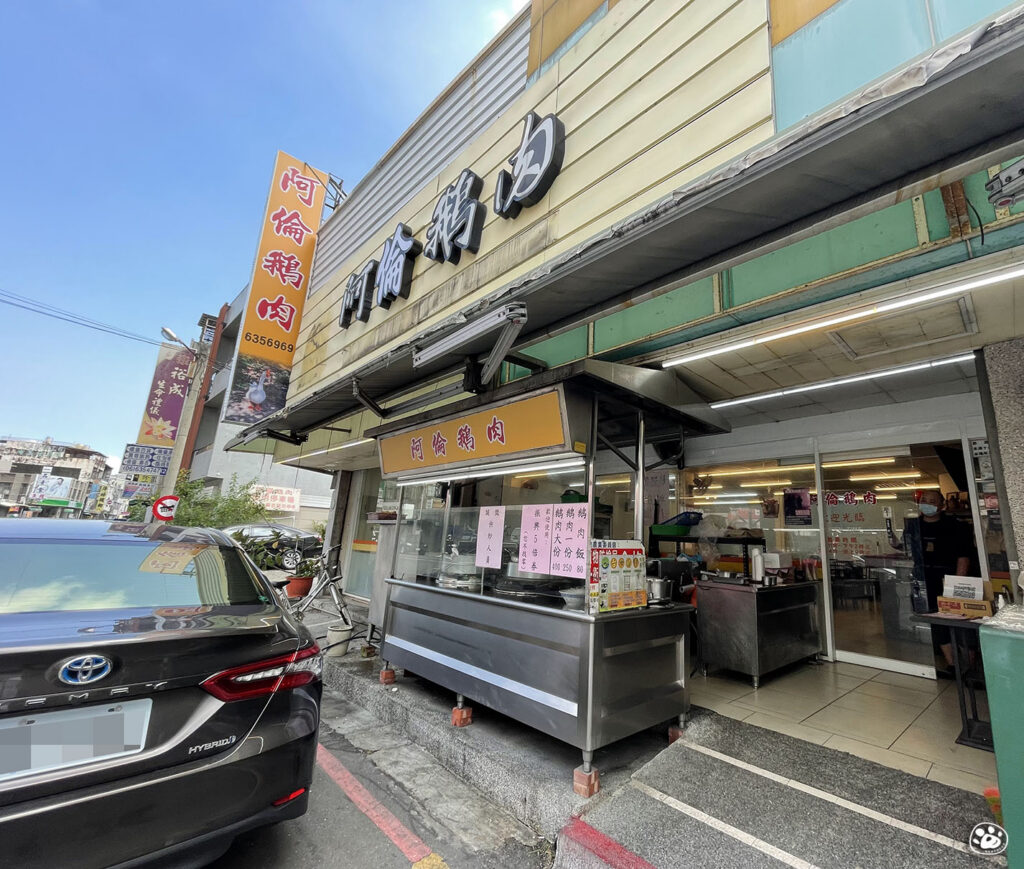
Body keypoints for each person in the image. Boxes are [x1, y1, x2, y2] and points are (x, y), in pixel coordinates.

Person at [896, 489, 974, 668]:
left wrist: (957, 584)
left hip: (949, 577)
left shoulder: (955, 525)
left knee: (961, 619)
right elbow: (906, 547)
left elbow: (964, 555)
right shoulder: (914, 525)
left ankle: (970, 664)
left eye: (932, 501)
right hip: (923, 578)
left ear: (942, 506)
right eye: (924, 500)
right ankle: (952, 663)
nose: (927, 504)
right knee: (935, 619)